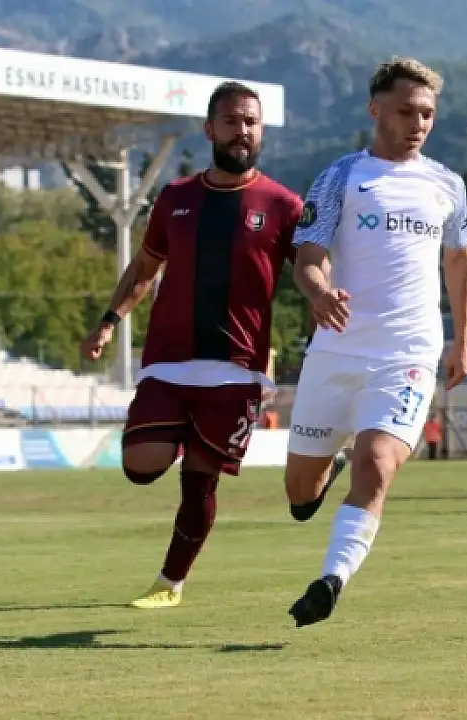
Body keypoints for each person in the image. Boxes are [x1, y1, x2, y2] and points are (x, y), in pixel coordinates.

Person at [80, 81, 303, 609]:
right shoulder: (175, 198)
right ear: (209, 129)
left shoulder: (283, 205)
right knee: (139, 465)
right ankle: (185, 433)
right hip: (169, 363)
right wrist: (110, 321)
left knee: (199, 483)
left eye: (250, 122)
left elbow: (312, 270)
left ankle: (169, 584)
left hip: (237, 370)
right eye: (231, 121)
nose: (241, 130)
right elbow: (144, 267)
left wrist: (331, 302)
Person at [283, 57, 467, 627]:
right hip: (337, 350)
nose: (418, 124)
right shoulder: (341, 176)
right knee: (299, 496)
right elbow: (307, 258)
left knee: (377, 462)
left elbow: (459, 261)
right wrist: (320, 292)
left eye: (428, 114)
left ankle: (331, 579)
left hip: (407, 353)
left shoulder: (448, 185)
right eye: (406, 111)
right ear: (375, 110)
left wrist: (462, 340)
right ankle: (329, 468)